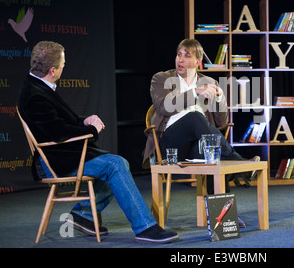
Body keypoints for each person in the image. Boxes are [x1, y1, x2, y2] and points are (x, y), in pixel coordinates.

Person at [18, 41, 178, 244]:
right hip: (56, 162)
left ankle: (83, 214)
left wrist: (84, 121)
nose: (65, 66)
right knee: (115, 164)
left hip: (65, 155)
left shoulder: (38, 85)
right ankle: (145, 227)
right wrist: (91, 130)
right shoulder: (35, 95)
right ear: (52, 70)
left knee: (117, 162)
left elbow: (58, 122)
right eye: (63, 63)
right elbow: (59, 133)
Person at [144, 39, 259, 200]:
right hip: (171, 146)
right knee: (194, 117)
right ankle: (239, 163)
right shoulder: (161, 78)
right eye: (179, 55)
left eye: (187, 56)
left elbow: (221, 123)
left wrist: (219, 98)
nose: (181, 59)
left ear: (198, 62)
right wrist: (195, 92)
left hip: (197, 146)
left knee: (213, 153)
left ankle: (222, 217)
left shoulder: (209, 83)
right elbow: (164, 106)